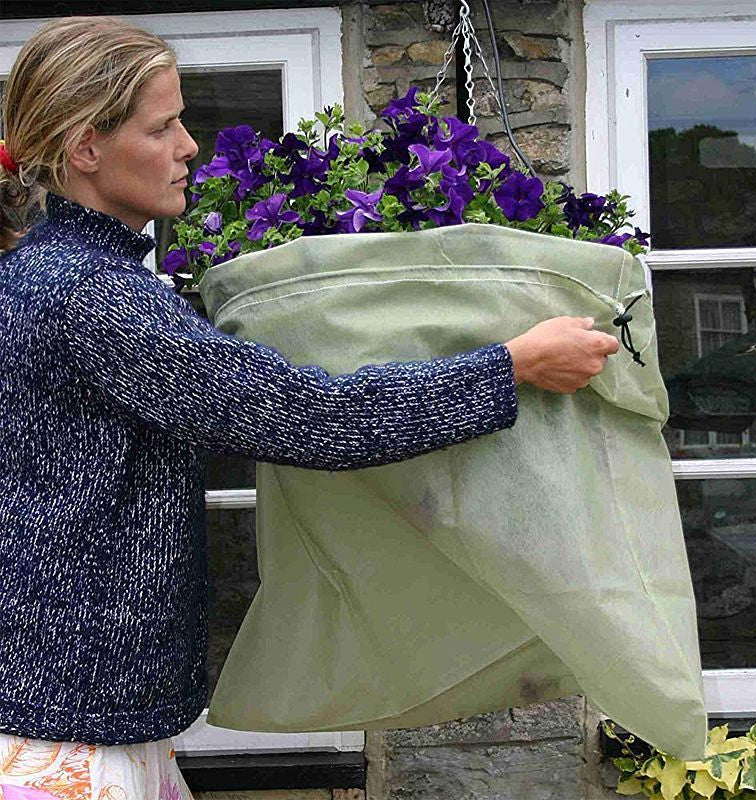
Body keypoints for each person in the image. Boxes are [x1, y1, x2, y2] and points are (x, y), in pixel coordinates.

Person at [0, 15, 619, 800]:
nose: (189, 146)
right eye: (162, 127)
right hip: (68, 737)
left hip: (63, 705)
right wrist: (514, 364)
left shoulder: (45, 275)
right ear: (86, 148)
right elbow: (314, 418)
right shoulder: (95, 298)